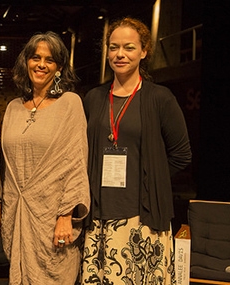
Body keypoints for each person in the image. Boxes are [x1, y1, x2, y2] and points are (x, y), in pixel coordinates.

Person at [80, 17, 191, 285]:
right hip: (98, 218)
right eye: (113, 47)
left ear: (143, 52)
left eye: (129, 47)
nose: (120, 54)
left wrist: (150, 182)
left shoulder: (159, 98)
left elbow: (182, 155)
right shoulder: (93, 98)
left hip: (143, 217)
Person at [0, 31, 90, 284]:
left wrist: (65, 215)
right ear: (25, 61)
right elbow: (6, 168)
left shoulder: (70, 103)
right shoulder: (14, 108)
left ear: (59, 67)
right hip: (18, 217)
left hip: (52, 220)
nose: (41, 64)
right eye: (35, 57)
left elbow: (76, 160)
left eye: (49, 60)